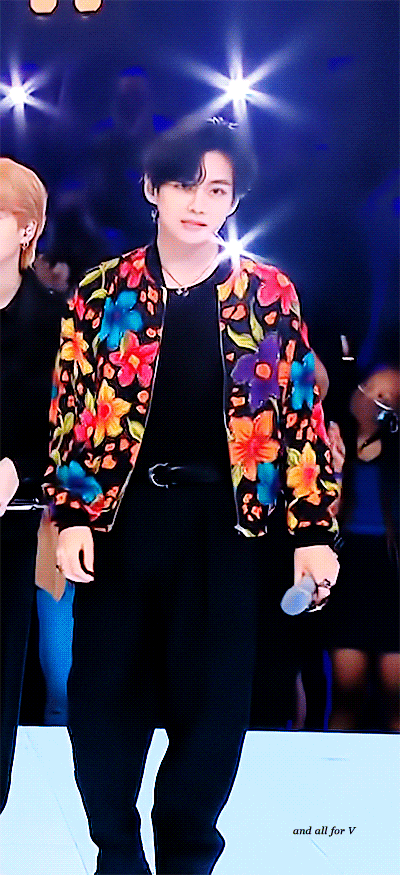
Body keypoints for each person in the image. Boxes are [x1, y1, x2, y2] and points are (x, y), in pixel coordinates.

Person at [44, 118, 340, 875]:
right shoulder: (103, 291)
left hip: (226, 530)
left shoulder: (267, 294)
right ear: (151, 189)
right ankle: (117, 854)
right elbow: (72, 408)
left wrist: (313, 531)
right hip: (122, 523)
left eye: (217, 189)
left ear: (235, 202)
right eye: (183, 184)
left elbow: (300, 415)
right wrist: (72, 514)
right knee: (103, 704)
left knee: (212, 715)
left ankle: (187, 858)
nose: (199, 203)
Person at [0, 157, 64, 809]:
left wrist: (20, 468)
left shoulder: (54, 321)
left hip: (15, 524)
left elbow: (73, 425)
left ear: (27, 229)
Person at [328, 364, 399, 731]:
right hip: (348, 566)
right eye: (368, 388)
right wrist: (336, 468)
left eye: (384, 396)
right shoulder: (332, 439)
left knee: (395, 690)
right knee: (347, 687)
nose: (371, 399)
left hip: (391, 569)